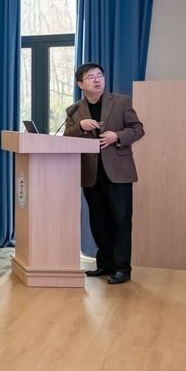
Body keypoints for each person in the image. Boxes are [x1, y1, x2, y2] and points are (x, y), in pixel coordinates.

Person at [64, 63, 145, 285]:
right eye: (91, 77)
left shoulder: (121, 102)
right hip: (91, 173)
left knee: (120, 220)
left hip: (118, 172)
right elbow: (66, 137)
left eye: (100, 75)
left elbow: (138, 129)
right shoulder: (74, 110)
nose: (97, 80)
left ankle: (122, 269)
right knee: (98, 221)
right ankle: (105, 264)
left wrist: (117, 136)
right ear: (80, 84)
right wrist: (80, 126)